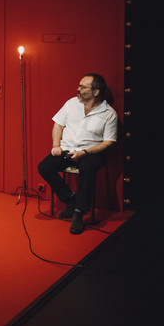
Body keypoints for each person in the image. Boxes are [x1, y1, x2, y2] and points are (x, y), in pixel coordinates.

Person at [37, 73, 118, 235]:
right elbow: (58, 125)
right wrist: (56, 145)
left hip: (91, 152)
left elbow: (108, 142)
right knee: (44, 167)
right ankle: (70, 199)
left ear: (96, 92)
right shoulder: (71, 104)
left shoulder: (109, 114)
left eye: (83, 87)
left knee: (87, 170)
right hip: (67, 149)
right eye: (79, 85)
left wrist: (84, 152)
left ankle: (79, 213)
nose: (78, 89)